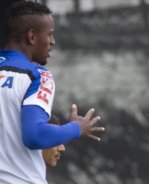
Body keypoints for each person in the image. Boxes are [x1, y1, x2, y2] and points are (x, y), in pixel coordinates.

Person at [0, 1, 105, 184]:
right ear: (32, 36)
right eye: (49, 34)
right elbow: (34, 135)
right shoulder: (37, 75)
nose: (52, 42)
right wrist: (76, 129)